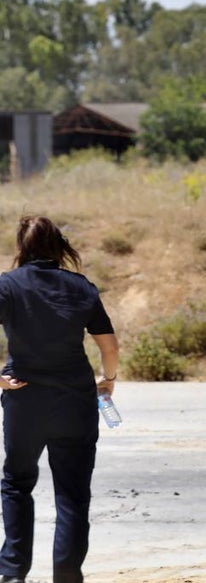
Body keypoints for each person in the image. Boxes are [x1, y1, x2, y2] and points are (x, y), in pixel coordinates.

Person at [0, 216, 119, 583]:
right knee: (72, 493)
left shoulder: (8, 286)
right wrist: (108, 379)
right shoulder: (80, 287)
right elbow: (108, 345)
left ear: (23, 246)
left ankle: (12, 572)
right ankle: (66, 574)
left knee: (18, 483)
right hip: (74, 401)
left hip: (24, 399)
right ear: (58, 246)